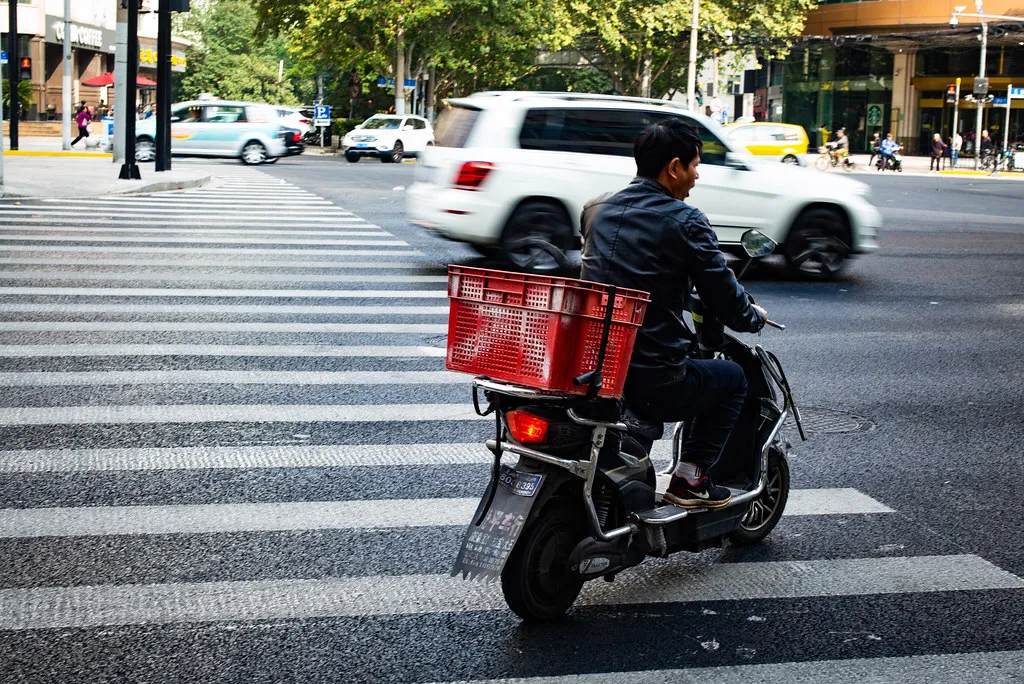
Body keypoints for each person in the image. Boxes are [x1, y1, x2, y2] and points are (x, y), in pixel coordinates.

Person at [580, 119, 767, 508]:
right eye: (696, 166)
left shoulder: (595, 209)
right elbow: (723, 293)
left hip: (591, 365)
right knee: (732, 379)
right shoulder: (686, 221)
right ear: (675, 167)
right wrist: (753, 316)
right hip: (651, 375)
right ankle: (690, 479)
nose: (696, 176)